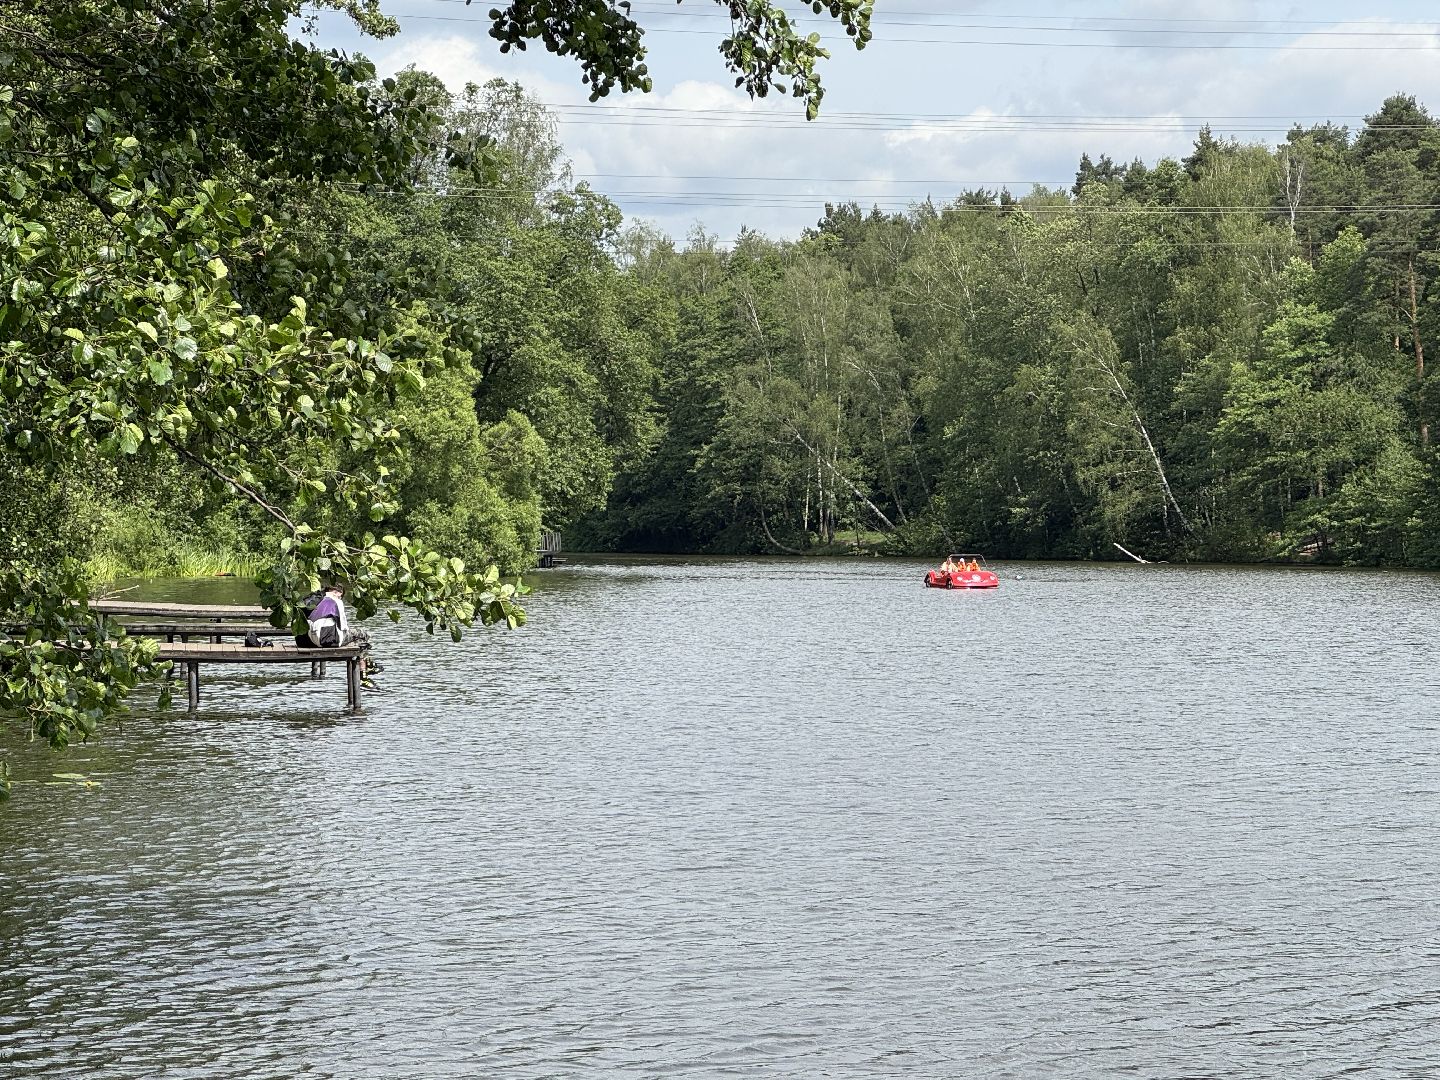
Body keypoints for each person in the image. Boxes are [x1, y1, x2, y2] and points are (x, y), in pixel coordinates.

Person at [298, 585, 377, 680]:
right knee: (364, 635)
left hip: (309, 640)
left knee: (356, 642)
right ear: (337, 592)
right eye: (341, 596)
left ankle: (364, 666)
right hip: (328, 640)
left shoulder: (314, 599)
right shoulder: (336, 601)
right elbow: (344, 627)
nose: (341, 598)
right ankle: (364, 669)